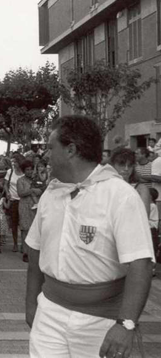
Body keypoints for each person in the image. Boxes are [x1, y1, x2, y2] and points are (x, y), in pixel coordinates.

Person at [25, 116, 156, 358]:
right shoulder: (51, 194)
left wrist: (125, 324)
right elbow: (35, 253)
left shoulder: (120, 196)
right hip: (49, 316)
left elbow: (141, 264)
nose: (46, 156)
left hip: (101, 322)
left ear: (71, 150)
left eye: (51, 148)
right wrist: (32, 304)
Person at [17, 160, 41, 263]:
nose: (29, 171)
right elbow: (21, 193)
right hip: (24, 206)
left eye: (31, 169)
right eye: (27, 169)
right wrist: (32, 190)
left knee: (35, 229)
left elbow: (41, 191)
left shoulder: (36, 179)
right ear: (23, 170)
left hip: (36, 206)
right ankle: (25, 253)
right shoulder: (20, 180)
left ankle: (33, 252)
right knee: (25, 228)